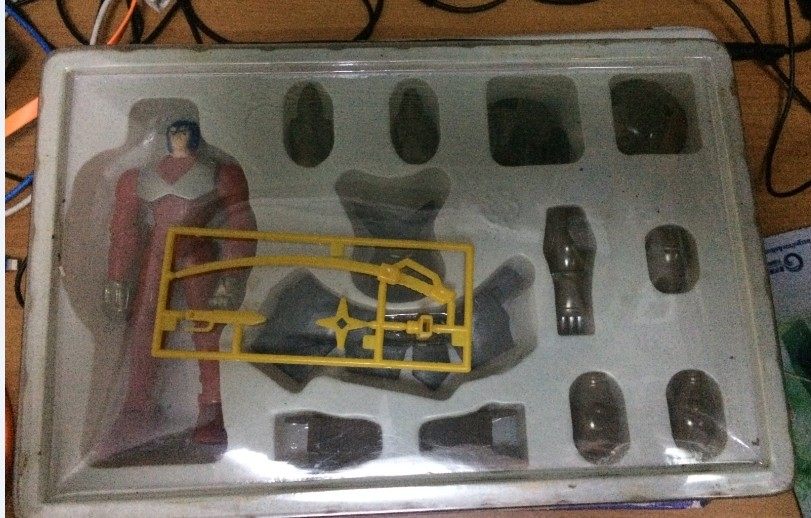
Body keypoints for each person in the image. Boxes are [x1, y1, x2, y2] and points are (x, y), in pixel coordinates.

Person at [101, 119, 256, 459]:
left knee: (207, 329)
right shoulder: (137, 177)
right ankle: (136, 405)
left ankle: (212, 407)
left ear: (195, 137)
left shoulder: (218, 174)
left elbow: (240, 226)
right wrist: (117, 278)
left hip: (196, 254)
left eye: (184, 132)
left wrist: (231, 276)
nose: (179, 138)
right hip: (156, 255)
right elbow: (124, 230)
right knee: (144, 326)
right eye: (173, 133)